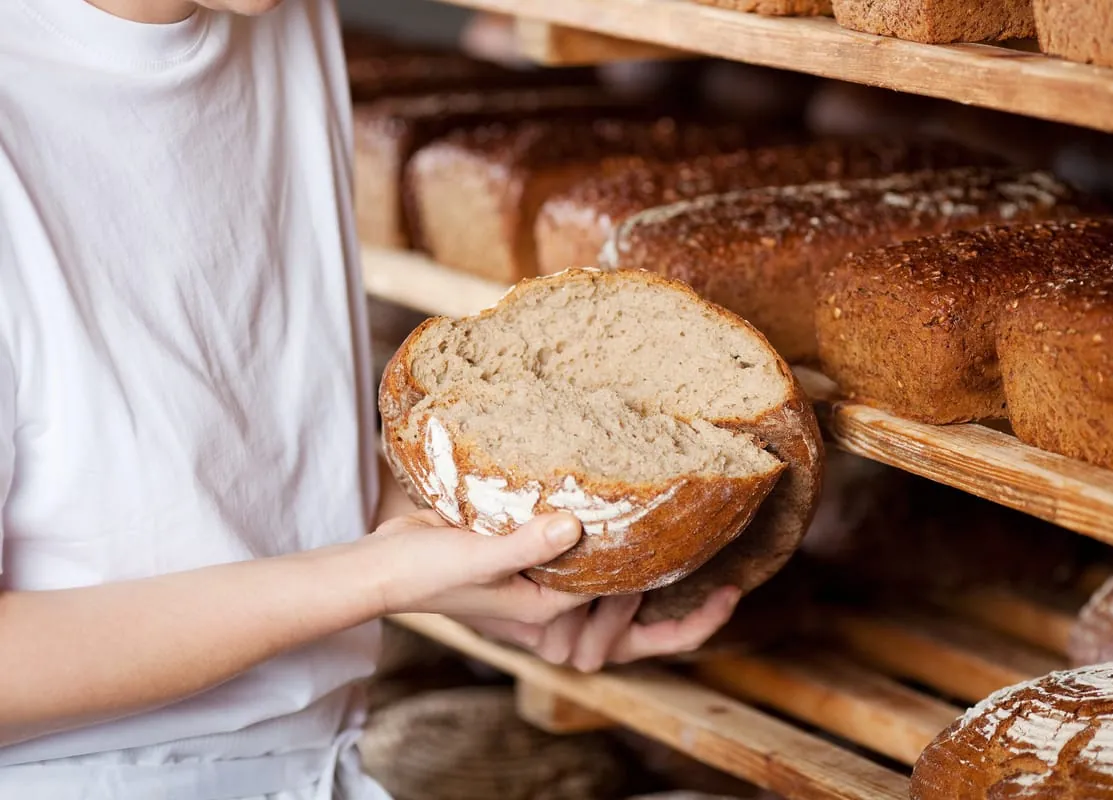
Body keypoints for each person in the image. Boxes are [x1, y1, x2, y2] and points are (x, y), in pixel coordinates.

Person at [0, 1, 742, 797]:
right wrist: (379, 579)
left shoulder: (275, 16)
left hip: (317, 762)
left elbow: (233, 440)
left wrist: (492, 565)